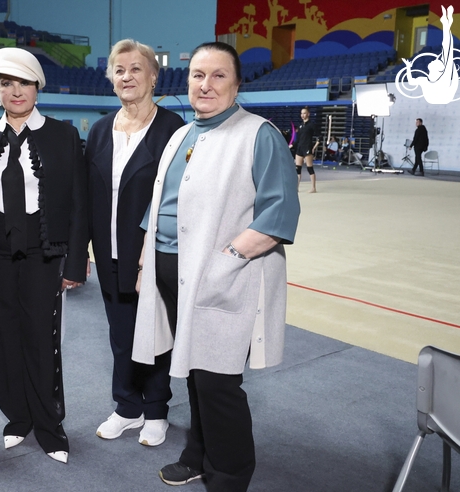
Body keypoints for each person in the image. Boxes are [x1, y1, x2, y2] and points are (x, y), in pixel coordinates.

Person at [132, 42, 300, 491]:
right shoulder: (182, 133)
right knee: (191, 371)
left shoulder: (258, 133)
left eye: (218, 75)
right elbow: (159, 204)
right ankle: (198, 455)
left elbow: (278, 216)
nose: (205, 85)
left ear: (237, 83)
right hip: (171, 273)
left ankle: (230, 474)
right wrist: (147, 261)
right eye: (197, 75)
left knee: (218, 384)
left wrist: (227, 260)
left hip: (224, 279)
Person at [0, 47, 88, 465]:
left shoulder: (63, 135)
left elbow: (78, 204)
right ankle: (16, 418)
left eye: (23, 82)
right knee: (2, 338)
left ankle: (49, 424)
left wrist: (75, 263)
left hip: (44, 254)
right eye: (5, 83)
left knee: (42, 340)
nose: (14, 91)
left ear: (37, 86)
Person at [85, 39, 184, 446]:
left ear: (153, 76)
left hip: (152, 255)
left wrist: (150, 254)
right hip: (108, 253)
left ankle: (157, 408)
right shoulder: (98, 130)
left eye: (135, 69)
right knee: (120, 333)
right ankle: (127, 406)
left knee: (156, 333)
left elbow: (179, 200)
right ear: (111, 79)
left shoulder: (173, 129)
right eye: (119, 70)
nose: (127, 76)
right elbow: (86, 196)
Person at [290, 106, 318, 192]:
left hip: (307, 148)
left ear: (308, 114)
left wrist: (314, 147)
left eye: (304, 113)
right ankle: (296, 187)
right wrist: (292, 145)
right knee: (297, 169)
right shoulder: (300, 125)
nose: (303, 115)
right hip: (299, 149)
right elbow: (298, 139)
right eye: (301, 113)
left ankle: (313, 188)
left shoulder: (311, 125)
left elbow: (319, 137)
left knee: (310, 168)